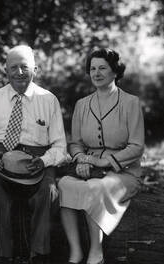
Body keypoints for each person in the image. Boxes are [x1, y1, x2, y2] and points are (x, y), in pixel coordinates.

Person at [0, 45, 67, 264]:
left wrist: (44, 161)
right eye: (14, 67)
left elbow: (60, 146)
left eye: (25, 67)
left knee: (49, 192)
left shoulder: (48, 99)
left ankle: (39, 254)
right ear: (6, 71)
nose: (19, 72)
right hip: (0, 159)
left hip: (37, 160)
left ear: (35, 69)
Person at [58, 48, 145, 264]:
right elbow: (75, 143)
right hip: (89, 166)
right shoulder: (81, 104)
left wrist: (104, 161)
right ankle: (75, 252)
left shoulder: (131, 103)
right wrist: (81, 160)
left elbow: (137, 146)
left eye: (102, 68)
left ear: (115, 72)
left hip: (124, 172)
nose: (96, 73)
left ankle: (96, 253)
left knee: (94, 188)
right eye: (93, 68)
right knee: (66, 184)